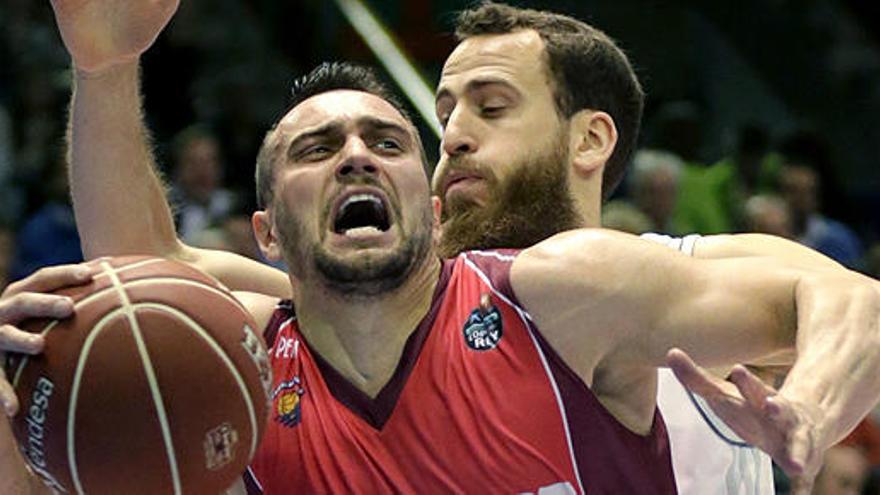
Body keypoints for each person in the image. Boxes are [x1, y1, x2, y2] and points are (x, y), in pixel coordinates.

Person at [13, 1, 879, 494]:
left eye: (491, 107)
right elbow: (145, 286)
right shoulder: (290, 320)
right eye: (445, 113)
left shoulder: (633, 276)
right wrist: (103, 69)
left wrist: (805, 403)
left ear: (590, 140)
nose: (454, 134)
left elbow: (858, 305)